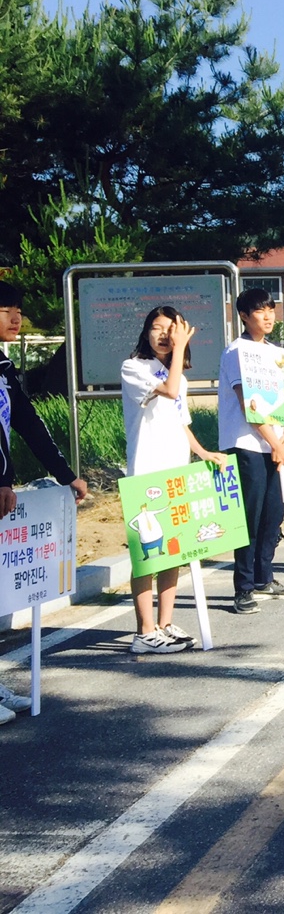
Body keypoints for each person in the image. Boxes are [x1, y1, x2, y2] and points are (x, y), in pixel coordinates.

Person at [0, 282, 86, 723]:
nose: (16, 318)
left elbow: (27, 423)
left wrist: (66, 474)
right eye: (6, 310)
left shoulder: (1, 363)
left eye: (18, 309)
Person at [120, 306, 229, 653]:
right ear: (145, 333)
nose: (165, 335)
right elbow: (166, 391)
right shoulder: (134, 367)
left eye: (173, 329)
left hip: (175, 474)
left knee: (172, 553)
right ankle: (144, 632)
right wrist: (181, 347)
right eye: (158, 328)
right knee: (146, 556)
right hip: (146, 475)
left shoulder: (178, 375)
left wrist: (203, 452)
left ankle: (165, 624)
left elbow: (181, 423)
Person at [219, 288, 284, 615]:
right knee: (248, 517)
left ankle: (265, 576)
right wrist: (276, 442)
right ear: (242, 316)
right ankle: (244, 587)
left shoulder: (278, 354)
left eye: (271, 310)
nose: (267, 317)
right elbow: (248, 404)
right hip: (247, 445)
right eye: (259, 312)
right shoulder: (237, 352)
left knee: (274, 511)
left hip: (276, 446)